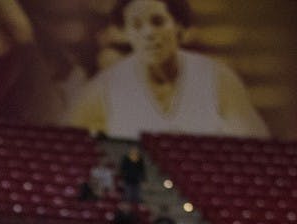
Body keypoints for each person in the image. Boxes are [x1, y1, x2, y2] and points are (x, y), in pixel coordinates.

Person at [67, 0, 268, 139]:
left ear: (179, 25)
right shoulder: (104, 88)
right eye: (137, 26)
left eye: (158, 22)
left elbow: (255, 147)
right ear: (126, 33)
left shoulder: (217, 78)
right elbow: (70, 152)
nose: (149, 34)